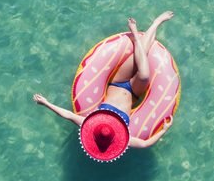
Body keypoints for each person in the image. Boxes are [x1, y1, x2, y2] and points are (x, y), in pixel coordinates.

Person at [33, 11, 174, 149]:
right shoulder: (121, 138)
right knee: (144, 75)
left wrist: (45, 103)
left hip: (118, 82)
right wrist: (165, 129)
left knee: (142, 57)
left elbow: (68, 115)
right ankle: (155, 23)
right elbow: (144, 144)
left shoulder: (91, 124)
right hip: (134, 92)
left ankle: (144, 30)